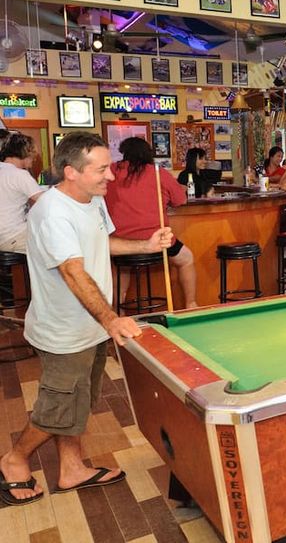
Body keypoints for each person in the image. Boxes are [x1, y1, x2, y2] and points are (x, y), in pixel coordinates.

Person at [0, 131, 172, 505]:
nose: (111, 175)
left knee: (79, 402)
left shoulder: (93, 199)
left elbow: (101, 243)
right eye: (102, 169)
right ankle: (13, 459)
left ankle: (72, 468)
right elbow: (73, 271)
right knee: (57, 408)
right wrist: (112, 320)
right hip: (63, 331)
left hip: (88, 327)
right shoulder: (52, 212)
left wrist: (145, 244)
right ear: (71, 172)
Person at [105, 137, 199, 309]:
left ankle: (119, 312)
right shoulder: (157, 173)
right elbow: (180, 200)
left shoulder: (111, 172)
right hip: (157, 240)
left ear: (124, 153)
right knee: (187, 259)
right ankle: (191, 304)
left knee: (121, 268)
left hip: (120, 242)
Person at [0, 131, 44, 253]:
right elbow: (46, 201)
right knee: (57, 242)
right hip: (12, 236)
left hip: (3, 235)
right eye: (33, 153)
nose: (35, 158)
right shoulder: (20, 175)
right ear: (26, 152)